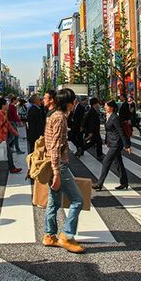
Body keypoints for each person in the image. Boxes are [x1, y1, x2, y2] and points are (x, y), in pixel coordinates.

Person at [42, 88, 84, 254]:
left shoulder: (53, 115)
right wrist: (57, 172)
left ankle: (49, 235)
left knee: (54, 201)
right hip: (59, 165)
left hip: (53, 163)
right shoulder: (60, 118)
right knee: (77, 200)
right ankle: (66, 235)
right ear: (68, 102)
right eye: (73, 101)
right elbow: (55, 146)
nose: (75, 104)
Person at [92, 100, 132, 191]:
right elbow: (108, 131)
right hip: (112, 142)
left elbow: (121, 132)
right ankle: (124, 182)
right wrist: (106, 141)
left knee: (106, 162)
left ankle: (99, 183)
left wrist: (127, 145)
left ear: (112, 107)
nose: (105, 107)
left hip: (116, 143)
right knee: (118, 163)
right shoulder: (108, 116)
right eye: (105, 106)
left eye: (106, 106)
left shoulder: (115, 118)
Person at [0, 98, 23, 174]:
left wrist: (15, 133)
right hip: (0, 137)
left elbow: (8, 125)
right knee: (8, 152)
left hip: (2, 137)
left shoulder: (3, 113)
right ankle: (12, 168)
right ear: (3, 105)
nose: (7, 105)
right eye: (6, 104)